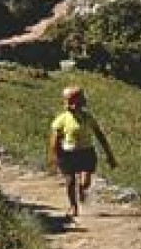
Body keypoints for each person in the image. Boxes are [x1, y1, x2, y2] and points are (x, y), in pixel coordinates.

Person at [47, 85, 117, 220]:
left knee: (85, 182)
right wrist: (55, 157)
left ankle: (81, 189)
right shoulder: (61, 119)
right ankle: (73, 206)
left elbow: (100, 135)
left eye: (75, 101)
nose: (71, 105)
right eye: (68, 101)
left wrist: (109, 155)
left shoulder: (87, 117)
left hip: (86, 152)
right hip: (67, 153)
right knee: (69, 181)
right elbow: (54, 140)